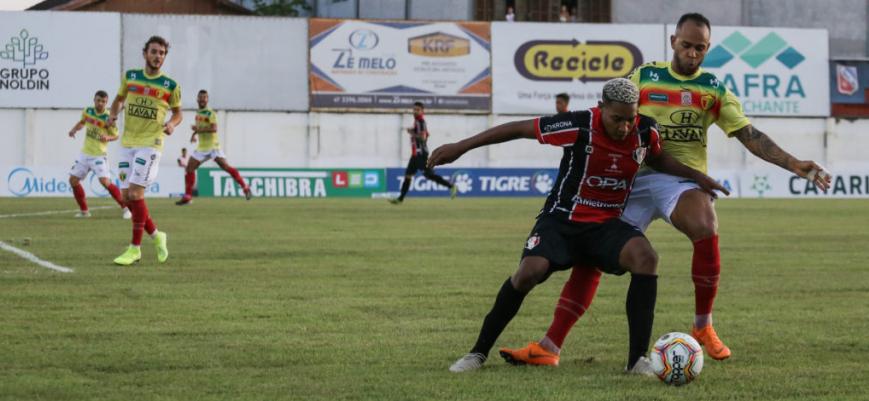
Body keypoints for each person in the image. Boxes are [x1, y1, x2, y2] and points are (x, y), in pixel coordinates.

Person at [499, 12, 833, 366]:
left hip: (682, 180)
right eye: (686, 45)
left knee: (705, 223)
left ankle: (703, 325)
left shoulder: (713, 89)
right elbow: (607, 112)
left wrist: (793, 163)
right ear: (674, 41)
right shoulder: (645, 76)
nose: (692, 53)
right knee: (591, 256)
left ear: (707, 49)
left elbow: (749, 135)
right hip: (632, 180)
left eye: (700, 48)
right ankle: (550, 347)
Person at [436, 78, 729, 373]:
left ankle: (637, 360)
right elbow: (518, 129)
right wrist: (461, 147)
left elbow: (658, 158)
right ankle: (477, 353)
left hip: (606, 226)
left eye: (630, 119)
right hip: (562, 219)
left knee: (646, 258)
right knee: (528, 273)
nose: (625, 127)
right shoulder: (579, 124)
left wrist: (697, 176)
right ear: (601, 108)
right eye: (617, 119)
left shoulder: (645, 130)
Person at [108, 35, 182, 266]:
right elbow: (119, 100)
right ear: (145, 53)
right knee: (125, 197)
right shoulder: (130, 77)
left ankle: (135, 249)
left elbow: (178, 113)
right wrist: (112, 114)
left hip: (151, 144)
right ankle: (157, 235)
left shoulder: (170, 86)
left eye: (162, 53)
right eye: (154, 51)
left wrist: (171, 124)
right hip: (128, 142)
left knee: (136, 194)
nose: (158, 56)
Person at [176, 90, 251, 205]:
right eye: (200, 97)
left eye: (204, 97)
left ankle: (244, 186)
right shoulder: (198, 114)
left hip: (213, 147)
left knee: (225, 167)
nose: (202, 99)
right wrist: (193, 135)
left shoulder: (210, 113)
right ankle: (188, 196)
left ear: (207, 99)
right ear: (197, 99)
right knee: (189, 168)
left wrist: (197, 130)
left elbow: (214, 129)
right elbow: (200, 128)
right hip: (202, 148)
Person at [67, 90, 129, 219]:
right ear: (94, 100)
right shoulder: (87, 111)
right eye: (98, 100)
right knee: (73, 180)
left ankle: (126, 208)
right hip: (85, 153)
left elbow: (116, 135)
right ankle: (85, 212)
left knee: (105, 182)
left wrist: (107, 138)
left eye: (104, 101)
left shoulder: (109, 118)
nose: (101, 103)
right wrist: (74, 129)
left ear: (107, 103)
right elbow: (82, 122)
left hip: (99, 155)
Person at [389, 102, 456, 204]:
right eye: (414, 109)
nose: (415, 111)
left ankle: (451, 186)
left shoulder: (420, 121)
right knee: (408, 175)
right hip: (416, 154)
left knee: (428, 175)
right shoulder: (417, 122)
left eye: (417, 110)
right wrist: (414, 131)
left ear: (422, 111)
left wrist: (412, 133)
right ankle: (400, 199)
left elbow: (422, 138)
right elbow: (425, 134)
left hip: (421, 154)